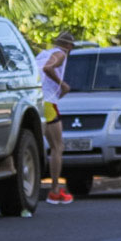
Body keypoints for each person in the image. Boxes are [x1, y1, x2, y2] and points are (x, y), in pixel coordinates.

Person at [35, 31, 75, 205]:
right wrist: (63, 84)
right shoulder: (61, 54)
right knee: (57, 146)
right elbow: (48, 68)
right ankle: (55, 190)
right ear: (69, 46)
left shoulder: (43, 54)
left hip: (37, 100)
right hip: (48, 102)